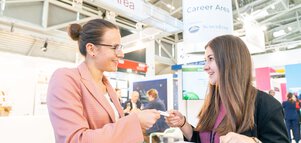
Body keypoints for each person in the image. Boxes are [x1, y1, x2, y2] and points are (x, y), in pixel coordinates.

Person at [47, 19, 160, 143]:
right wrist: (135, 122)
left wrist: (133, 119)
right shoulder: (65, 78)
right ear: (91, 49)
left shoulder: (107, 86)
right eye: (115, 47)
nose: (121, 54)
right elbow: (76, 139)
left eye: (120, 47)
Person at [165, 35, 289, 143]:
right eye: (205, 60)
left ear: (230, 60)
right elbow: (204, 138)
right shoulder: (214, 102)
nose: (205, 67)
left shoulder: (266, 105)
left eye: (211, 59)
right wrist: (182, 123)